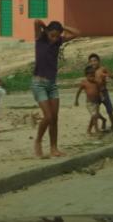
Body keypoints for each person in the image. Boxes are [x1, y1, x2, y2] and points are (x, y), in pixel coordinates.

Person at [32, 20, 79, 158]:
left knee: (55, 118)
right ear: (47, 33)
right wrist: (46, 28)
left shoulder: (58, 41)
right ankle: (38, 142)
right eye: (52, 35)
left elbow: (77, 33)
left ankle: (54, 148)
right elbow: (36, 22)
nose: (54, 39)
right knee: (48, 116)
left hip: (52, 85)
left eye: (57, 36)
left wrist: (61, 28)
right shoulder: (40, 39)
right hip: (38, 83)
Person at [74, 66, 106, 135]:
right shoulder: (84, 83)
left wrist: (102, 96)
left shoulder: (96, 82)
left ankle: (89, 130)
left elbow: (100, 90)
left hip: (97, 102)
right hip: (90, 103)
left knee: (94, 116)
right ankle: (97, 130)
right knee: (94, 116)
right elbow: (79, 91)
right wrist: (76, 100)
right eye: (90, 76)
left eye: (93, 75)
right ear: (86, 75)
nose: (92, 77)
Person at [88, 53, 113, 130]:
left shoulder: (102, 69)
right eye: (91, 61)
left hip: (104, 92)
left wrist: (107, 75)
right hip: (95, 94)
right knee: (94, 112)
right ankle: (90, 129)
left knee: (109, 110)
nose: (93, 62)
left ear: (99, 61)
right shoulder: (90, 71)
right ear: (89, 62)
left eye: (95, 60)